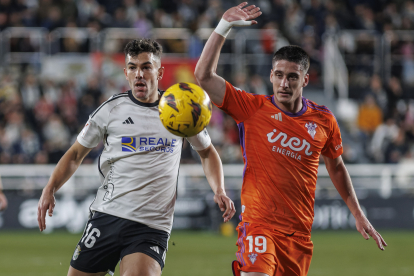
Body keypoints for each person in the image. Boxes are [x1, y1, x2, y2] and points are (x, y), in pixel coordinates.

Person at [194, 3, 387, 276]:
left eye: (293, 77)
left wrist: (357, 212)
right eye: (280, 75)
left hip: (298, 234)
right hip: (258, 223)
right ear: (271, 76)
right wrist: (223, 26)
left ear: (305, 80)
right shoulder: (252, 108)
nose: (285, 83)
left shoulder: (324, 120)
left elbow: (337, 166)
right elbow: (203, 76)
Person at [37, 38, 236, 276]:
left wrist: (219, 189)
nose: (139, 74)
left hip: (152, 225)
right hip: (107, 216)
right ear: (125, 72)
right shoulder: (112, 110)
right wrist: (50, 188)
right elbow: (75, 154)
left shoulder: (180, 108)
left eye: (146, 67)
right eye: (133, 67)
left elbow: (207, 153)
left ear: (160, 72)